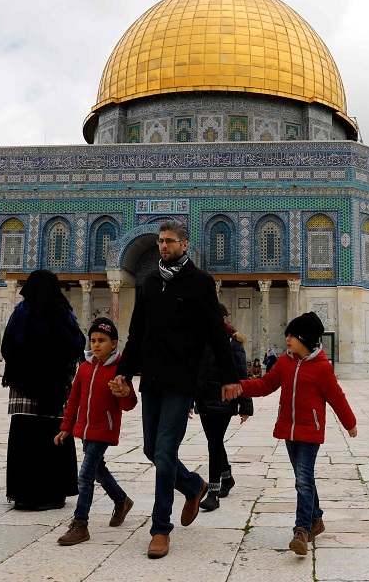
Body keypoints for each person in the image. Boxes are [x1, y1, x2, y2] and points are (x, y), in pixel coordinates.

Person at [112, 219, 239, 560]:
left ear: (184, 244)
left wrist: (229, 378)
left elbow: (216, 332)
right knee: (151, 450)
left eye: (169, 241)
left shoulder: (199, 282)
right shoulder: (151, 281)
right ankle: (193, 485)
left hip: (182, 381)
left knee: (165, 451)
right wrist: (124, 372)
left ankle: (160, 529)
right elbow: (136, 331)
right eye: (159, 241)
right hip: (151, 379)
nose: (163, 246)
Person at [238, 311, 357, 556]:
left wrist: (350, 423)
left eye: (292, 335)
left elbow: (337, 397)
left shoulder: (322, 368)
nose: (288, 339)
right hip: (289, 430)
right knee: (304, 479)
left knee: (303, 480)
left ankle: (301, 530)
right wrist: (241, 387)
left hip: (310, 432)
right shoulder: (284, 361)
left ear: (305, 339)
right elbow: (266, 385)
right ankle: (317, 519)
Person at [2, 269, 85, 511]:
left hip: (24, 388)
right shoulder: (62, 310)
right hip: (55, 388)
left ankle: (24, 494)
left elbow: (8, 346)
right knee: (53, 437)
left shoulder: (21, 312)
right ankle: (54, 492)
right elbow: (76, 344)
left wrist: (25, 366)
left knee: (25, 439)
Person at [55, 318, 138, 546]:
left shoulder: (120, 370)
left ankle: (81, 524)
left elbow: (129, 404)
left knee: (86, 474)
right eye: (93, 340)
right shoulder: (84, 368)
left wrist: (124, 392)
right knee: (98, 470)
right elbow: (74, 400)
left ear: (114, 343)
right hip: (86, 428)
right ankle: (122, 500)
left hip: (104, 429)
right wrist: (66, 427)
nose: (96, 345)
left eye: (102, 340)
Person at [194, 307, 252, 512]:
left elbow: (242, 375)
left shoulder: (232, 343)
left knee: (214, 444)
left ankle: (213, 493)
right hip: (204, 401)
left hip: (224, 402)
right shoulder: (200, 341)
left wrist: (245, 406)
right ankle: (227, 478)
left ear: (223, 319)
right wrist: (191, 400)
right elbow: (196, 373)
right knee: (214, 442)